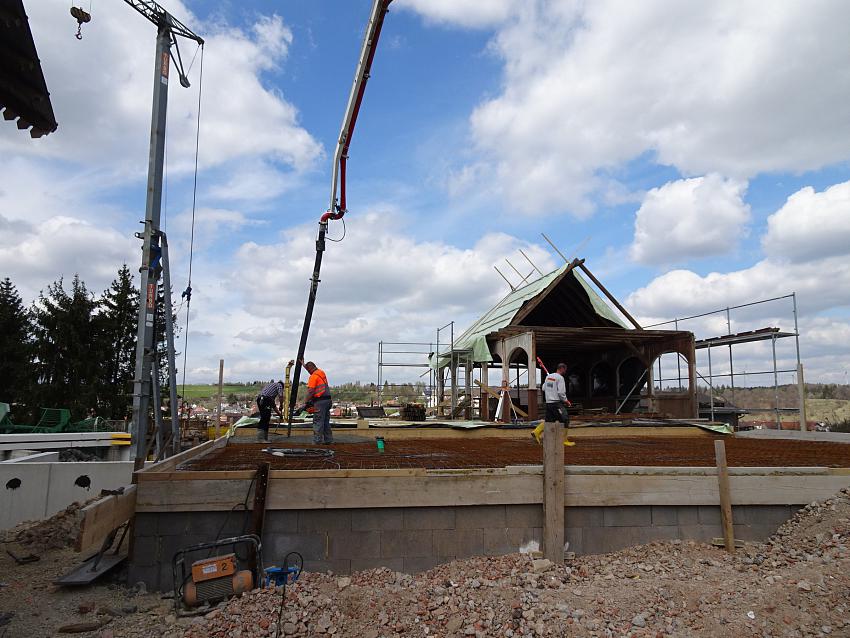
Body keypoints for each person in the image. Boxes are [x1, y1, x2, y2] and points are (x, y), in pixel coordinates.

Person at [534, 362, 575, 447]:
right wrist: (566, 400)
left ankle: (536, 432)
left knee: (549, 421)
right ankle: (564, 440)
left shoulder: (548, 377)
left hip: (548, 403)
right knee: (565, 419)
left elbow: (543, 388)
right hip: (556, 403)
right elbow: (561, 392)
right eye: (565, 370)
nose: (565, 372)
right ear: (562, 369)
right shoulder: (560, 378)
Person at [304, 360, 333, 444]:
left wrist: (305, 402)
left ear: (309, 369)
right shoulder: (321, 373)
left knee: (318, 421)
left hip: (320, 402)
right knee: (325, 422)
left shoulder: (313, 377)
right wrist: (304, 365)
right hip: (328, 401)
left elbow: (311, 391)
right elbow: (311, 370)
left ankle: (317, 441)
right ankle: (328, 440)